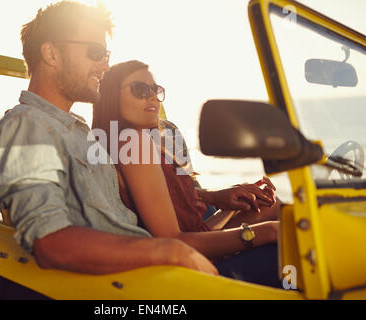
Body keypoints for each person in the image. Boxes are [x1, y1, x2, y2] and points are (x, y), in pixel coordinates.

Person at [0, 1, 218, 276]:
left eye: (106, 54)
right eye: (95, 52)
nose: (105, 65)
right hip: (139, 279)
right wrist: (170, 251)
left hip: (151, 269)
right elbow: (48, 242)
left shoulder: (77, 129)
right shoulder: (26, 126)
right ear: (51, 53)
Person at [92, 60, 282, 286]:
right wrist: (266, 232)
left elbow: (189, 230)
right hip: (191, 269)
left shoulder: (120, 140)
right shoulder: (134, 143)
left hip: (193, 248)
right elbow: (173, 241)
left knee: (274, 206)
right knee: (290, 238)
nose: (152, 97)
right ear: (112, 96)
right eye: (140, 89)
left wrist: (226, 207)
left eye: (156, 90)